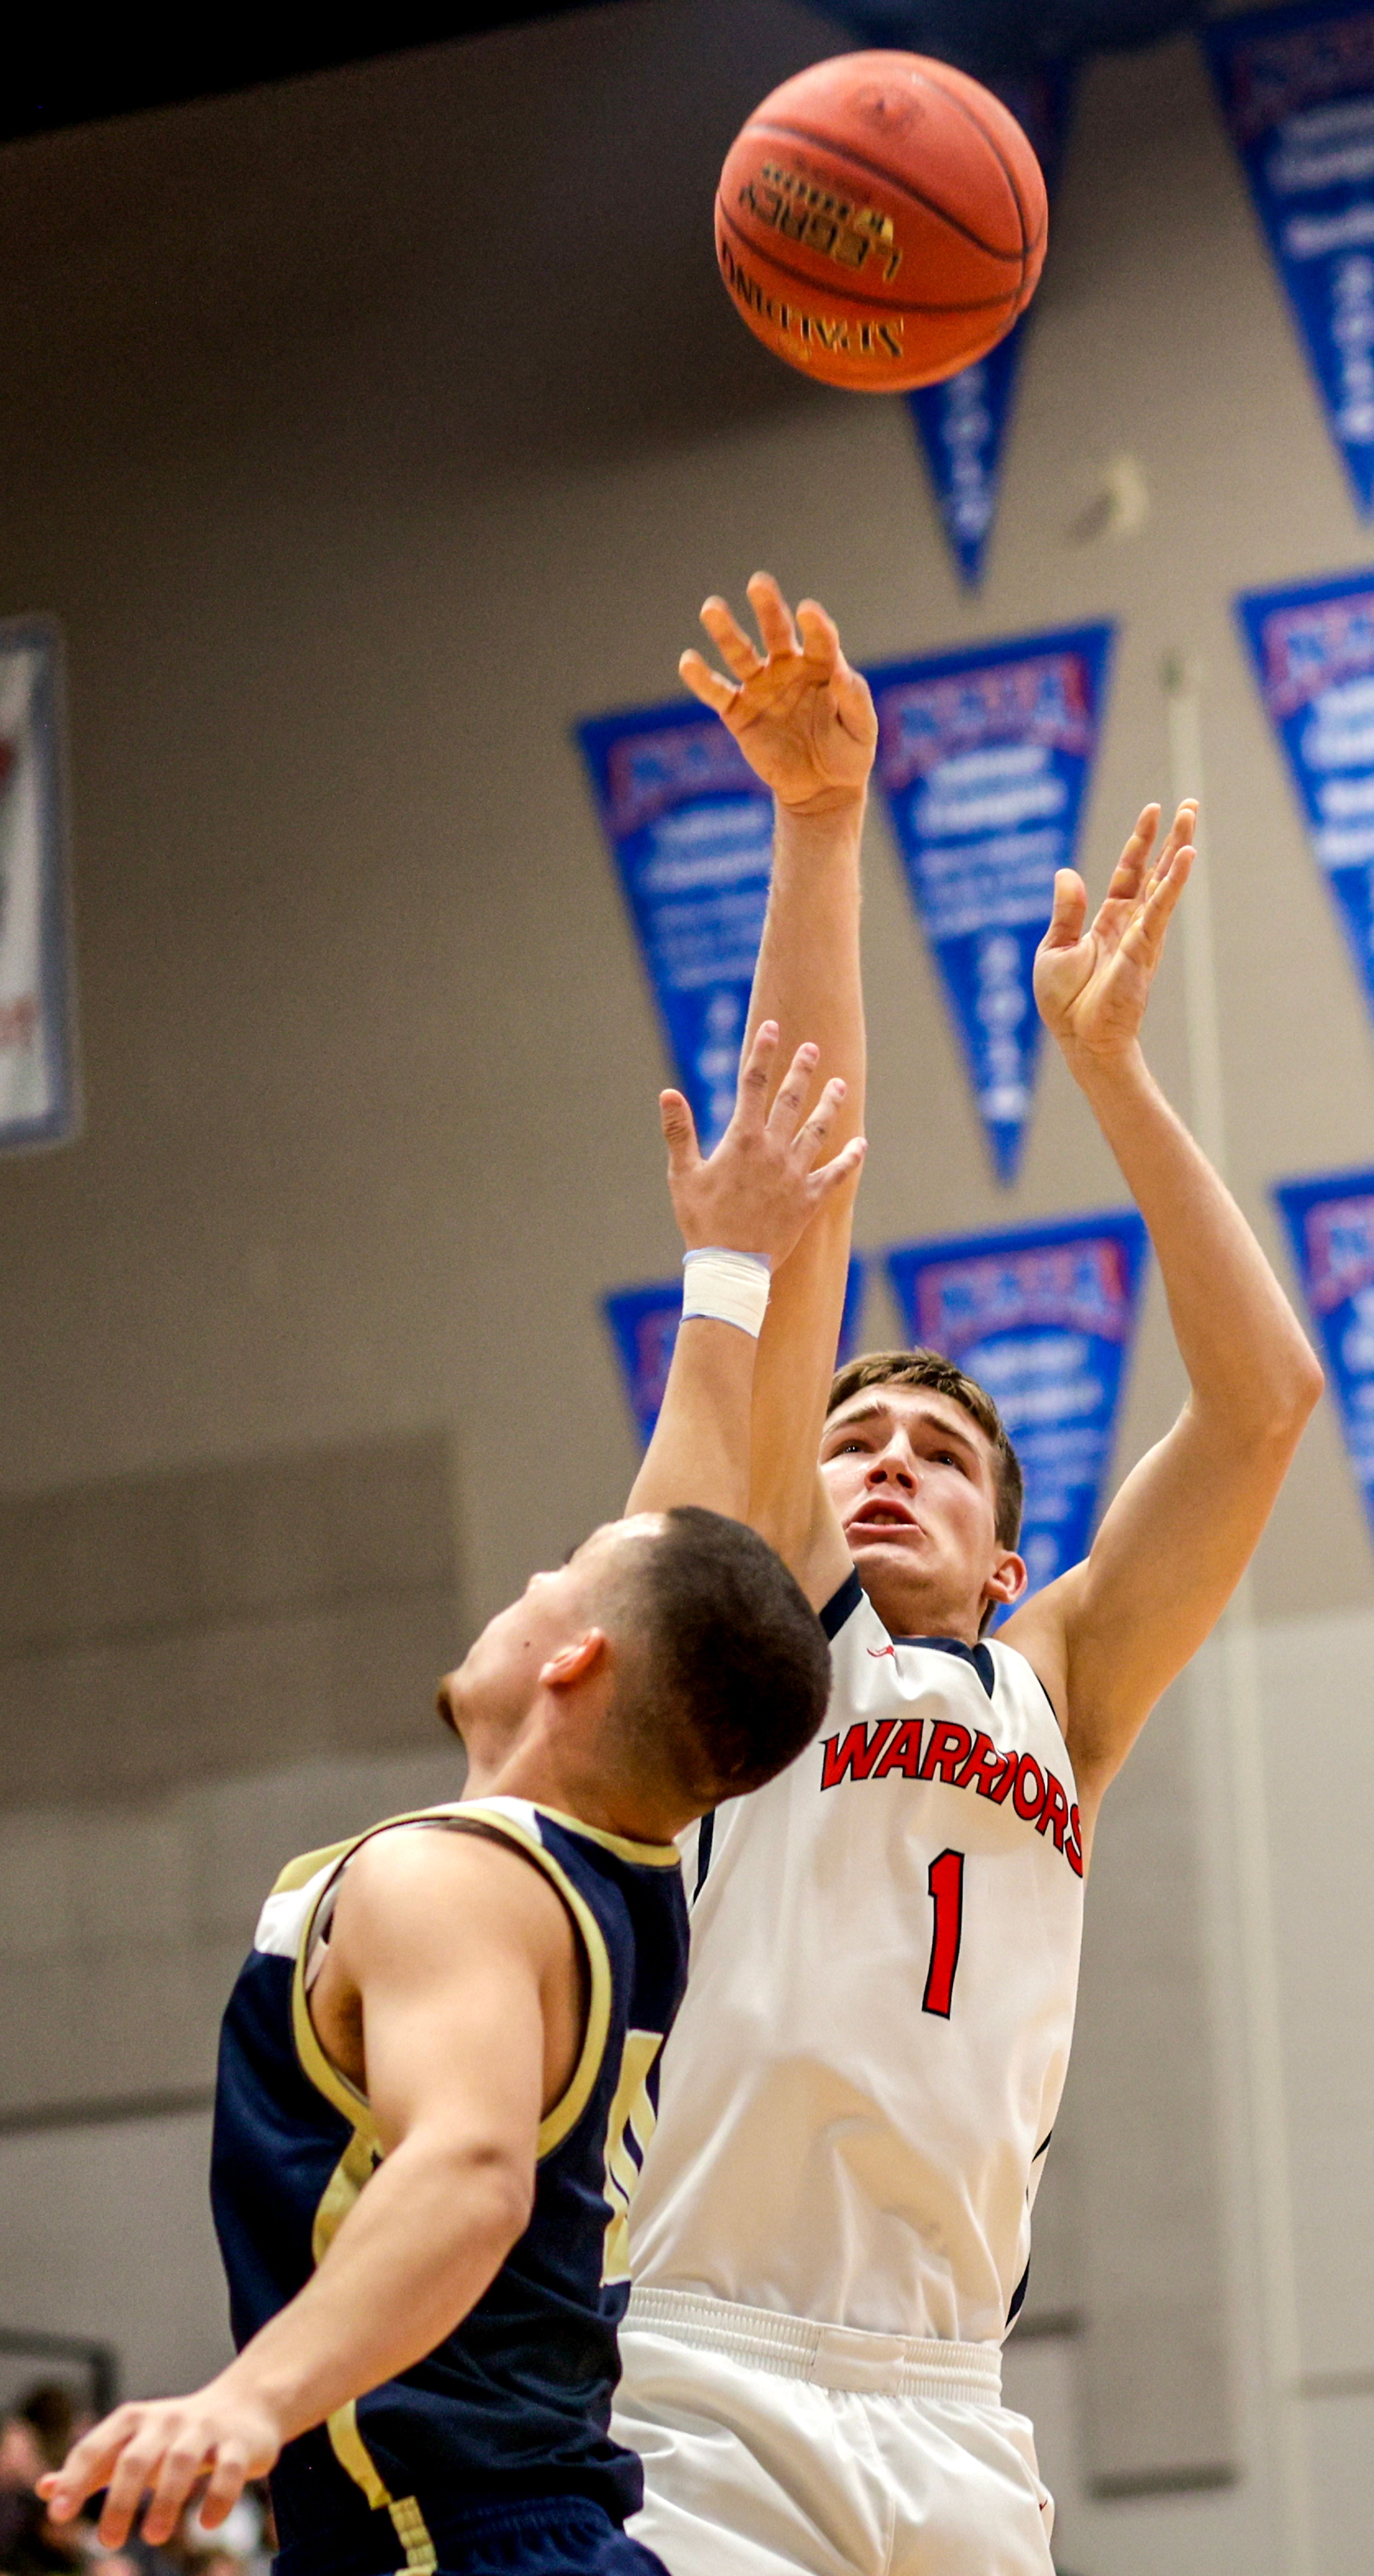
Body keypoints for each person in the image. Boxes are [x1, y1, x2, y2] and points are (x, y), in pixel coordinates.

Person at [613, 578, 1324, 2576]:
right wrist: (826, 833)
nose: (889, 1461)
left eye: (939, 1450)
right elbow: (808, 1182)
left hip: (953, 2404)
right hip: (707, 2372)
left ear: (1016, 1553)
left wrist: (1110, 1070)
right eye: (855, 1443)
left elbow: (1264, 1407)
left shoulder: (1063, 1681)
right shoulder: (766, 1642)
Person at [40, 1022, 865, 2576]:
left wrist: (246, 2399)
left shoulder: (452, 1878)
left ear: (575, 1657)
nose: (530, 1579)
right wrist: (730, 1276)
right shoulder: (622, 1857)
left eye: (556, 1573)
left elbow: (474, 2168)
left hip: (452, 2541)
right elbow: (680, 1532)